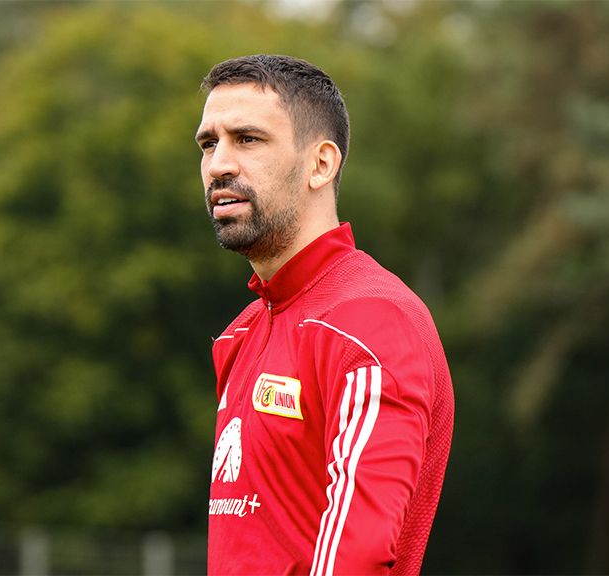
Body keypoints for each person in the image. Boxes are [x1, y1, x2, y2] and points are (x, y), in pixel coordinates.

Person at [197, 54, 454, 575]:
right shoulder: (240, 335)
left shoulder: (371, 322)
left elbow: (356, 557)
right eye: (208, 142)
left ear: (321, 164)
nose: (219, 163)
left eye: (247, 139)